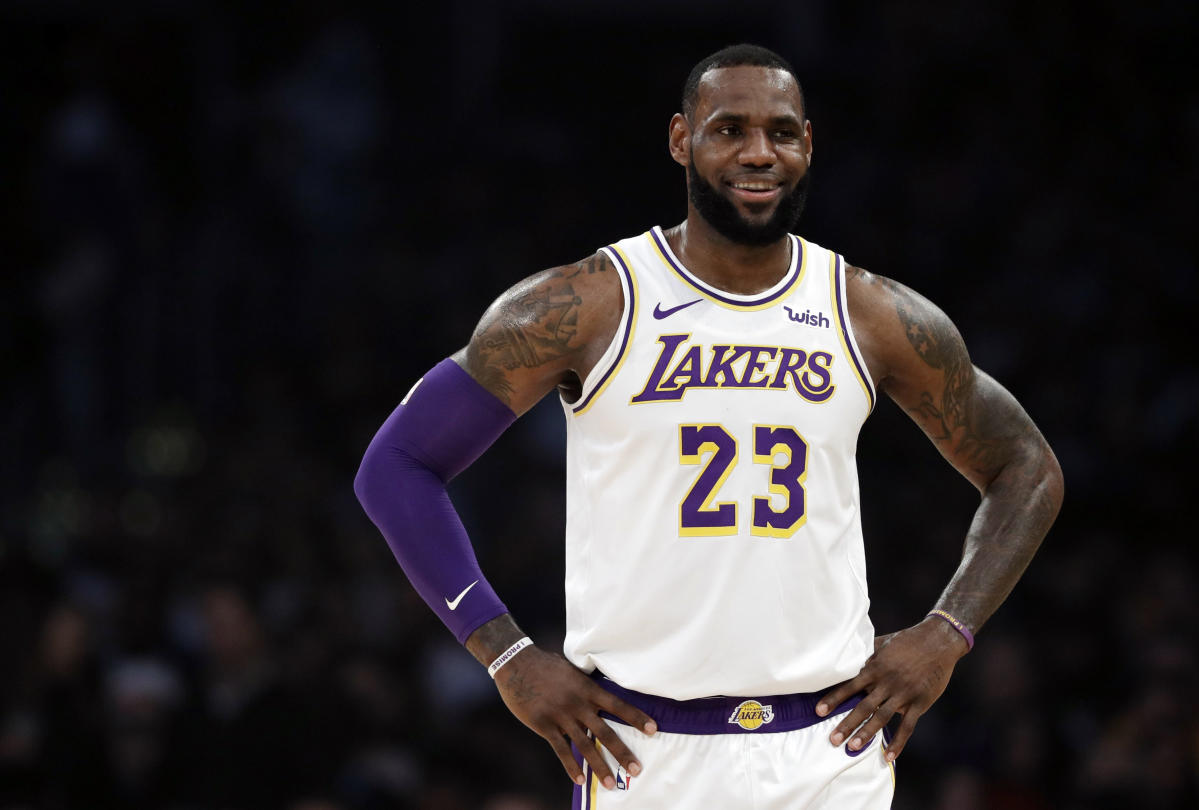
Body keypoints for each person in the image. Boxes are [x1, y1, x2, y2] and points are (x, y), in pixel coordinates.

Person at [354, 43, 1063, 808]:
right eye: (728, 129)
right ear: (679, 139)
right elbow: (395, 467)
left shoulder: (870, 314)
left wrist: (945, 633)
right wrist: (506, 656)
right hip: (643, 749)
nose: (758, 153)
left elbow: (1027, 467)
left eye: (781, 132)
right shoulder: (589, 304)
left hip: (827, 751)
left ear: (808, 144)